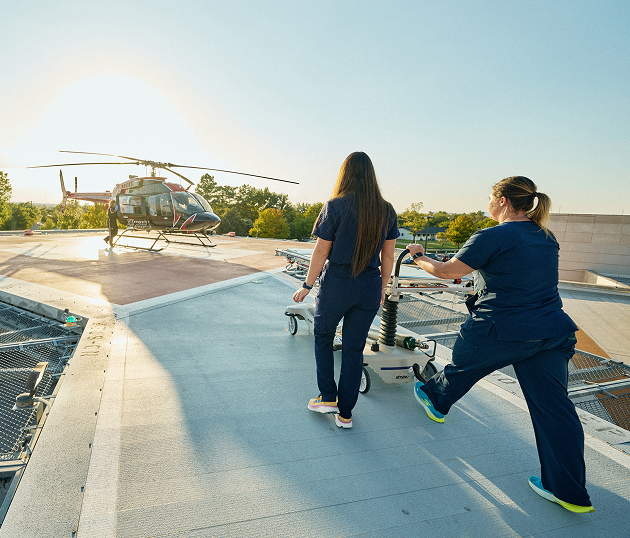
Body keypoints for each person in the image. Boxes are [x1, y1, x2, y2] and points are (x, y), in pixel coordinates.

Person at [407, 176, 594, 514]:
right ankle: (568, 491)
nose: (487, 205)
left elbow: (448, 272)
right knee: (556, 411)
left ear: (504, 202)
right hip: (552, 333)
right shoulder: (546, 236)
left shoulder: (493, 235)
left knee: (461, 369)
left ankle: (435, 399)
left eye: (490, 199)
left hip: (500, 330)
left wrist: (418, 255)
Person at [293, 152, 399, 429]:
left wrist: (307, 285)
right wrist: (382, 287)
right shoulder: (386, 210)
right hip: (369, 284)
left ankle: (328, 396)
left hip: (338, 282)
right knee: (354, 348)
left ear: (346, 174)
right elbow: (388, 256)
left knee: (324, 336)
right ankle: (346, 414)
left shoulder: (335, 205)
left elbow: (320, 251)